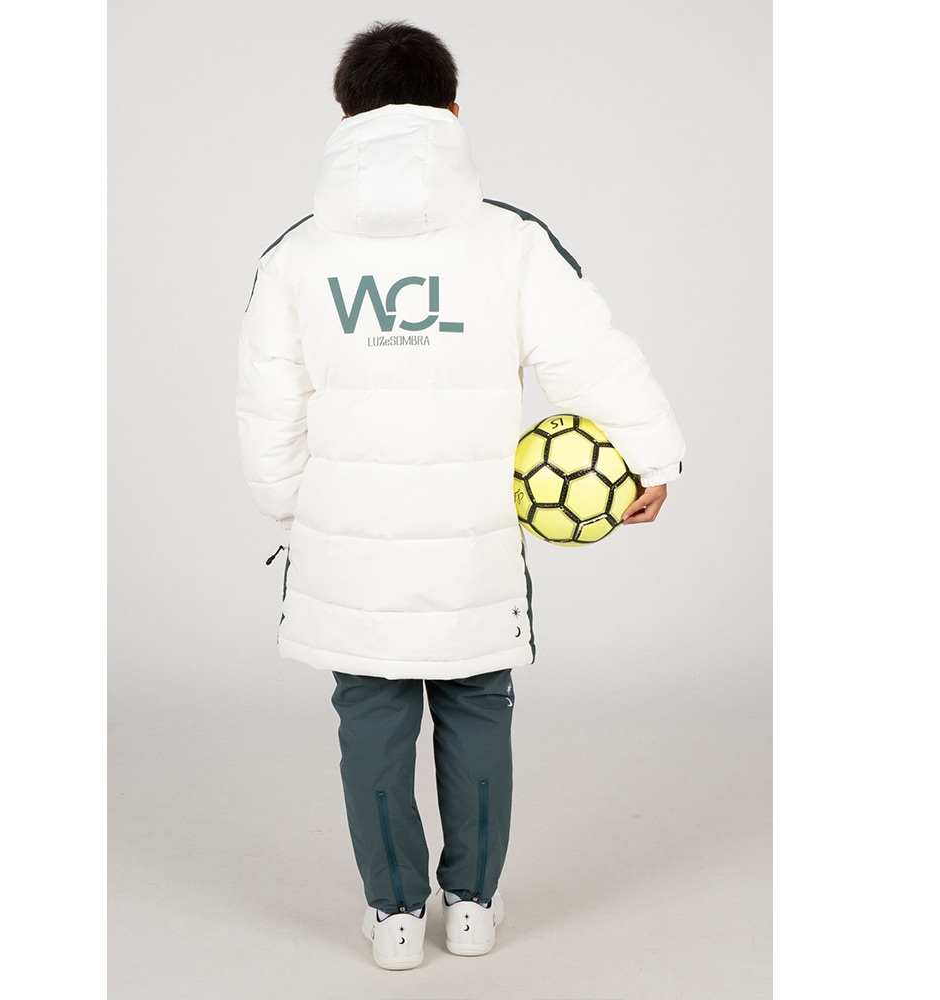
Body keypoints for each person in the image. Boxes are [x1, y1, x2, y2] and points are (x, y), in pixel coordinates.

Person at [236, 21, 685, 971]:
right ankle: (473, 906)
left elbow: (268, 409)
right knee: (478, 712)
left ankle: (396, 918)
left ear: (344, 115)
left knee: (372, 725)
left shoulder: (294, 256)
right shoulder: (512, 242)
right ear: (451, 108)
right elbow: (591, 356)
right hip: (474, 543)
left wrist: (292, 509)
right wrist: (652, 457)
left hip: (349, 549)